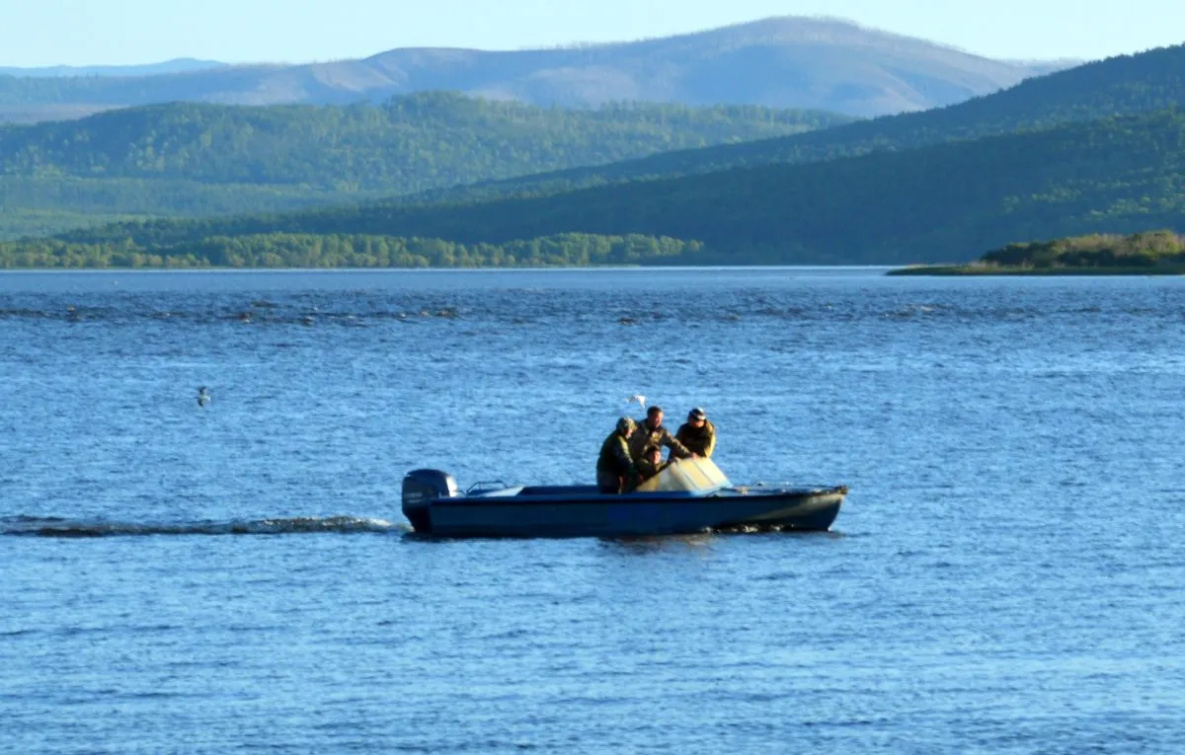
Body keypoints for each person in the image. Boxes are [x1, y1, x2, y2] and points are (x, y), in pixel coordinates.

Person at [629, 405, 695, 463]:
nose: (659, 421)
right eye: (657, 418)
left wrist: (688, 454)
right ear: (649, 417)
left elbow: (676, 444)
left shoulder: (662, 432)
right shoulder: (636, 427)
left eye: (661, 418)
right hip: (631, 461)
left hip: (650, 464)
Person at [597, 417, 639, 494]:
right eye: (629, 429)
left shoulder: (617, 437)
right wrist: (635, 471)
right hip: (608, 473)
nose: (631, 432)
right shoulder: (618, 441)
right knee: (610, 493)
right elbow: (625, 458)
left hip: (608, 472)